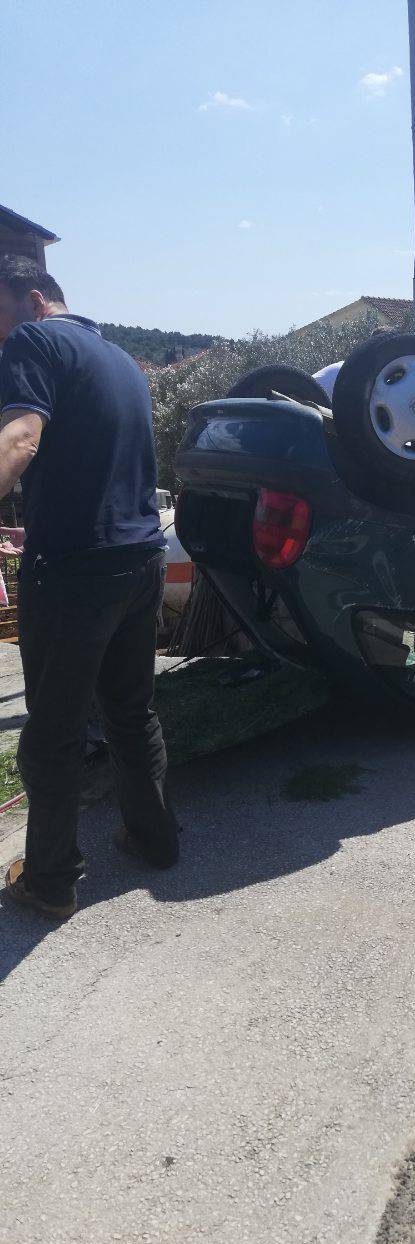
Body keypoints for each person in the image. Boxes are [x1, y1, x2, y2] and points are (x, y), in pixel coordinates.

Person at [0, 255, 179, 921]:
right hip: (138, 562)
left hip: (76, 577)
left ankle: (48, 880)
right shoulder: (118, 360)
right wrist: (30, 532)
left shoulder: (33, 340)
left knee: (50, 734)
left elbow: (20, 439)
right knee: (130, 712)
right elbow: (96, 474)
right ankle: (155, 839)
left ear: (35, 299)